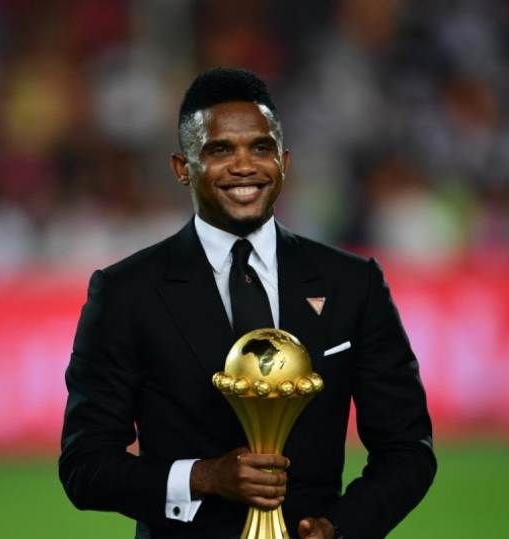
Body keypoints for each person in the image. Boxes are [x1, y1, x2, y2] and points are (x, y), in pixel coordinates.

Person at [59, 68, 436, 539]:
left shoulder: (352, 284)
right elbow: (84, 465)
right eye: (220, 150)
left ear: (284, 161)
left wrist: (339, 529)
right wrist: (203, 477)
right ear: (182, 167)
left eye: (261, 148)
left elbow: (407, 449)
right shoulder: (125, 293)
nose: (244, 166)